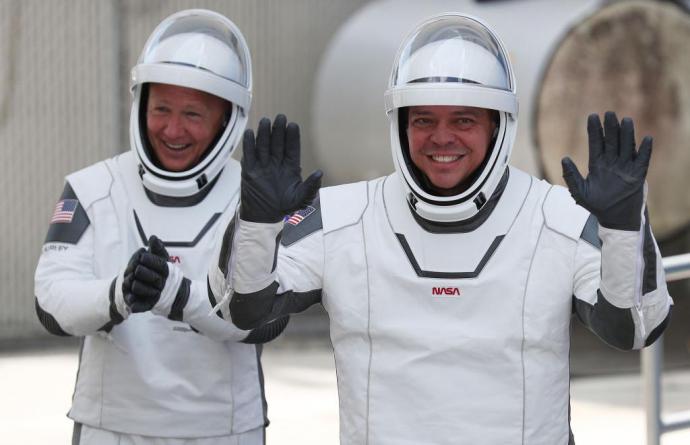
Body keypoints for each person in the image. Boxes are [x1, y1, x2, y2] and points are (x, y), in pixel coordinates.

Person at [222, 13, 673, 445]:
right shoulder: (344, 217)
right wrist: (257, 222)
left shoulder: (554, 215)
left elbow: (632, 329)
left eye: (464, 120)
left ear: (498, 126)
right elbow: (246, 309)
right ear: (399, 124)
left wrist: (624, 228)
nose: (442, 138)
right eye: (424, 120)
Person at [34, 9, 286, 445]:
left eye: (193, 114)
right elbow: (52, 304)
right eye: (161, 109)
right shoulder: (93, 188)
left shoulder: (253, 198)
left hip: (223, 429)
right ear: (140, 106)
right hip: (112, 427)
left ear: (227, 119)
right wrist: (118, 293)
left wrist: (177, 295)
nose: (172, 129)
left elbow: (267, 320)